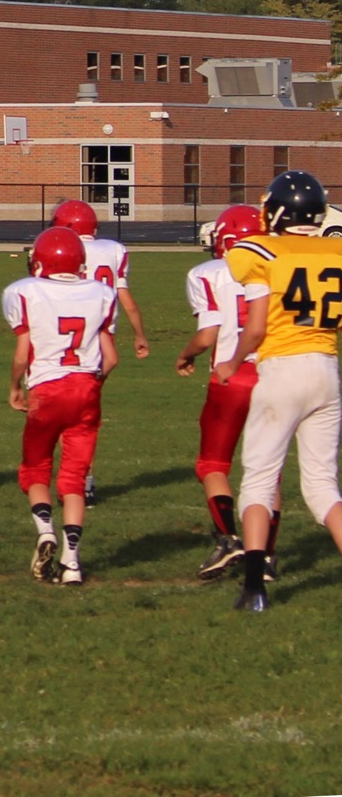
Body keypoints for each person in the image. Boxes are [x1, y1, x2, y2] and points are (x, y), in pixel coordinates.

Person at [218, 171, 342, 613]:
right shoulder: (337, 248)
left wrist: (231, 364)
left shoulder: (260, 251)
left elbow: (255, 328)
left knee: (259, 480)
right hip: (327, 369)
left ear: (277, 211)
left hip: (283, 370)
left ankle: (255, 588)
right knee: (324, 487)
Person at [4, 227, 119, 586]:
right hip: (86, 387)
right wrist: (90, 384)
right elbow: (111, 358)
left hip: (46, 389)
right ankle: (72, 563)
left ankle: (45, 530)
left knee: (35, 468)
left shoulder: (24, 291)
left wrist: (14, 388)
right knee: (74, 478)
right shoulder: (102, 293)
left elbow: (23, 354)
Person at [175, 204, 270, 581]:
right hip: (274, 375)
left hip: (230, 377)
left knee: (213, 464)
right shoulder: (277, 265)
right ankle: (266, 557)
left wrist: (185, 355)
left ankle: (229, 539)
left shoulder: (207, 273)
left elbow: (210, 334)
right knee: (266, 471)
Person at [50, 199, 149, 507]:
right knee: (86, 415)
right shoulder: (113, 250)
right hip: (104, 338)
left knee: (65, 415)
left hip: (67, 338)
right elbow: (126, 298)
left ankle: (73, 480)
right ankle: (85, 483)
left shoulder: (60, 248)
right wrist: (140, 335)